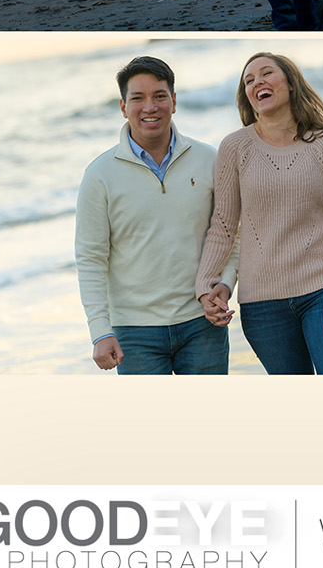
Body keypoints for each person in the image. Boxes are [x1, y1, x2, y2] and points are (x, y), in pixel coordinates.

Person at [196, 52, 323, 374]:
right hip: (262, 307)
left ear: (290, 83)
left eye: (266, 73)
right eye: (249, 80)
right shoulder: (234, 148)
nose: (258, 83)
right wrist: (205, 285)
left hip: (322, 294)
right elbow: (224, 226)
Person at [75, 56, 235, 374]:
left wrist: (225, 285)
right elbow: (90, 257)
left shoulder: (208, 159)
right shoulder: (99, 175)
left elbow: (232, 231)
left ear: (173, 102)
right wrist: (100, 331)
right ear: (123, 106)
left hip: (202, 323)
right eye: (138, 98)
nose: (150, 107)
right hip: (134, 333)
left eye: (160, 96)